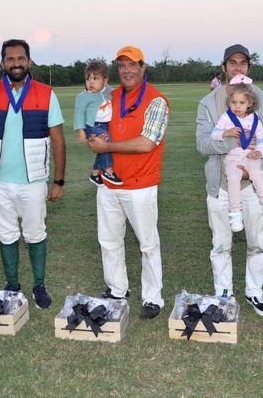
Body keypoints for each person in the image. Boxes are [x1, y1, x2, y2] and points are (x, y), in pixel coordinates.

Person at [0, 39, 66, 310]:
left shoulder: (46, 93)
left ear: (29, 61)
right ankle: (12, 286)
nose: (15, 63)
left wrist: (58, 181)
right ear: (2, 63)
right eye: (10, 59)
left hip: (34, 182)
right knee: (6, 234)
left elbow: (58, 140)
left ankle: (39, 286)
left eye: (20, 58)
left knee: (35, 233)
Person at [196, 44, 263, 317]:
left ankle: (254, 291)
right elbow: (202, 144)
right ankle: (224, 293)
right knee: (221, 244)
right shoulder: (209, 103)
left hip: (255, 183)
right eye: (232, 63)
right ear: (224, 67)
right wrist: (231, 144)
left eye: (242, 63)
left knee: (258, 242)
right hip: (220, 183)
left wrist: (254, 166)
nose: (237, 67)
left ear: (248, 68)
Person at [87, 45, 170, 320]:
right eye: (121, 66)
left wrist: (108, 146)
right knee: (108, 241)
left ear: (143, 67)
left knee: (148, 244)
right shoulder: (111, 96)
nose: (126, 70)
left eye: (132, 65)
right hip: (109, 184)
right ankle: (117, 290)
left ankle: (153, 297)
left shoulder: (156, 100)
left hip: (140, 185)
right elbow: (97, 128)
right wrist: (94, 139)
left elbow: (147, 142)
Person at [210, 76, 263, 232]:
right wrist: (226, 133)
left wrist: (259, 152)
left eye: (242, 103)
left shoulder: (256, 120)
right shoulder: (227, 117)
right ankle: (235, 212)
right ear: (229, 103)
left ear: (250, 103)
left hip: (250, 156)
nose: (237, 106)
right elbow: (214, 134)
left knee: (257, 173)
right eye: (234, 103)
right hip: (233, 158)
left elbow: (262, 140)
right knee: (233, 178)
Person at [74, 60, 122, 186]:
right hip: (93, 125)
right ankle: (108, 171)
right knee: (105, 141)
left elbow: (119, 93)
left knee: (102, 148)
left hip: (106, 125)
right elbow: (79, 114)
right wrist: (81, 131)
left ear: (105, 81)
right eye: (88, 78)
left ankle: (95, 173)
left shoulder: (108, 91)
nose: (91, 82)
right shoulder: (83, 97)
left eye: (95, 78)